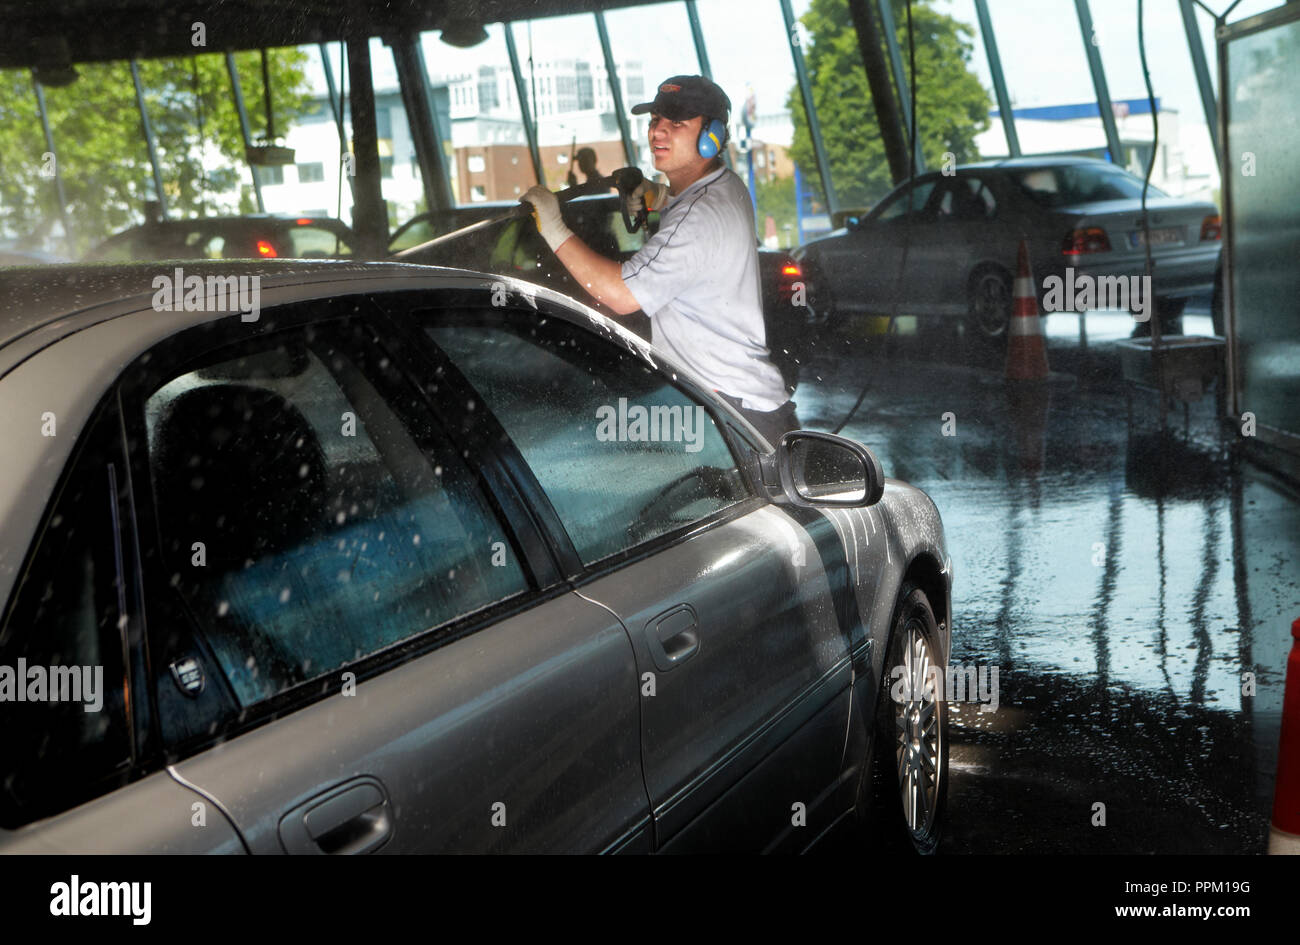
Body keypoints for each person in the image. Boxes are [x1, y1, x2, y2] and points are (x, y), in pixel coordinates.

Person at [520, 74, 798, 448]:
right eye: (655, 121)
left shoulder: (699, 217)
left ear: (712, 135)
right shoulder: (724, 185)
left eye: (677, 123)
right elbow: (687, 207)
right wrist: (652, 193)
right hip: (741, 405)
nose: (658, 133)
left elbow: (620, 295)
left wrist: (553, 228)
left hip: (733, 415)